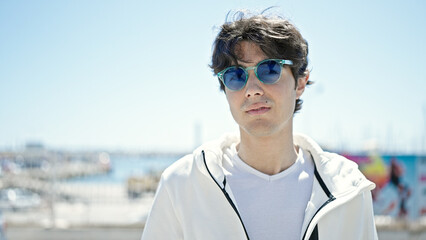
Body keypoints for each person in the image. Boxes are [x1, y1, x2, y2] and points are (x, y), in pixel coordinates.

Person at [142, 10, 378, 240]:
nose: (252, 90)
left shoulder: (348, 189)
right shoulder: (183, 184)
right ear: (225, 89)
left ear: (300, 83)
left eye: (269, 69)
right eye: (235, 75)